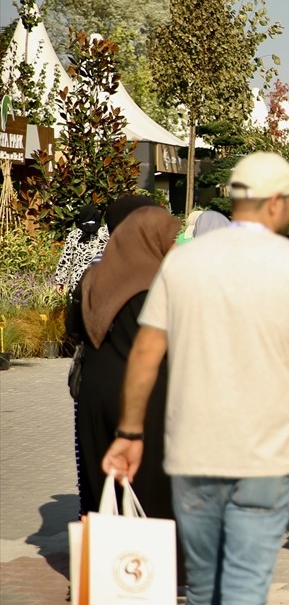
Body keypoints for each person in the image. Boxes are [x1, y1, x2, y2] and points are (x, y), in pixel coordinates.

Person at [102, 152, 289, 605]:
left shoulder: (184, 262)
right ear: (275, 202)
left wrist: (129, 431)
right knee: (242, 590)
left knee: (203, 586)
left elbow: (146, 351)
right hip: (264, 459)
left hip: (192, 454)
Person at [70, 206, 179, 519]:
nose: (174, 246)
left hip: (93, 394)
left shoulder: (93, 277)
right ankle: (146, 551)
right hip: (145, 397)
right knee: (149, 493)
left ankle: (103, 547)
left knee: (100, 484)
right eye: (171, 238)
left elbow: (73, 328)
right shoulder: (156, 283)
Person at [54, 205, 108, 293]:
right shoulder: (104, 234)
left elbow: (66, 259)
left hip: (77, 282)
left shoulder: (74, 235)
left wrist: (60, 281)